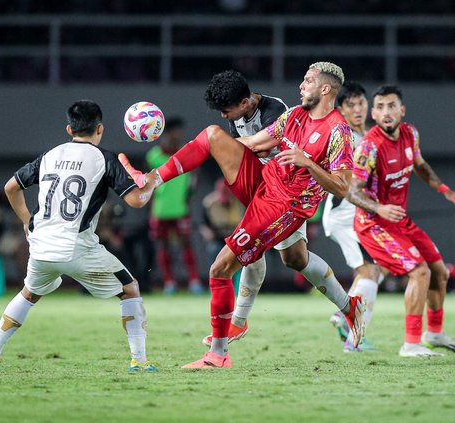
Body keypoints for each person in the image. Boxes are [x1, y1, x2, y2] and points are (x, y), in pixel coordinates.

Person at [120, 62, 365, 368]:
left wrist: (309, 163)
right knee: (212, 135)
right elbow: (252, 143)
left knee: (222, 267)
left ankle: (219, 354)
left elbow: (342, 187)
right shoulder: (295, 116)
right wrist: (212, 152)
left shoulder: (339, 132)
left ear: (325, 89)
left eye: (308, 81)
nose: (301, 85)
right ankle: (150, 181)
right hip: (264, 183)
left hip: (285, 205)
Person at [0, 100, 158, 373]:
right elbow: (137, 201)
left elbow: (10, 187)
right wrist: (152, 180)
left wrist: (28, 221)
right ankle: (139, 362)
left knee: (28, 294)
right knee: (130, 288)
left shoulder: (51, 155)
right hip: (77, 247)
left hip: (41, 246)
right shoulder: (103, 158)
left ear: (68, 128)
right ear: (100, 129)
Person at [201, 69, 310, 346]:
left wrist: (232, 149)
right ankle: (238, 322)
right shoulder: (238, 115)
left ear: (246, 102)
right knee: (252, 250)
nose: (224, 116)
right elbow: (245, 151)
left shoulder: (274, 110)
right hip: (259, 189)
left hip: (284, 192)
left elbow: (262, 147)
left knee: (296, 259)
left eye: (226, 110)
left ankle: (348, 305)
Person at [347, 85, 455, 357]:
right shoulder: (369, 147)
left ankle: (434, 333)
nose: (386, 112)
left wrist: (445, 190)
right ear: (373, 112)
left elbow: (420, 165)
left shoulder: (410, 134)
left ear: (401, 110)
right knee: (420, 272)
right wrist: (380, 208)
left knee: (439, 272)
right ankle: (410, 343)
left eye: (391, 106)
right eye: (380, 107)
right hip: (373, 224)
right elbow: (352, 191)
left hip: (400, 221)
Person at [322, 81, 384, 352]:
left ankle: (345, 317)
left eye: (361, 103)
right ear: (342, 109)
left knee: (377, 270)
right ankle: (353, 334)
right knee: (369, 271)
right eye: (351, 105)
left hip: (361, 217)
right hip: (345, 217)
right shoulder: (344, 138)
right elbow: (343, 185)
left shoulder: (372, 137)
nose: (358, 109)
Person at [145, 117, 204, 295]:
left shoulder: (185, 153)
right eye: (176, 131)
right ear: (167, 133)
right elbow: (147, 184)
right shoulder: (153, 156)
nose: (179, 135)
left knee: (187, 244)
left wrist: (189, 195)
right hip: (160, 209)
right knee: (163, 247)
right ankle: (169, 282)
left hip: (180, 209)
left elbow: (194, 177)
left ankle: (194, 281)